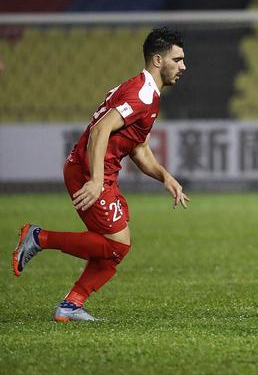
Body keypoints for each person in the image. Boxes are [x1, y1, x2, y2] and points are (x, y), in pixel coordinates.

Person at [12, 27, 190, 321]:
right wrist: (95, 180)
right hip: (88, 171)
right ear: (157, 60)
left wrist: (165, 177)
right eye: (177, 59)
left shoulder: (146, 93)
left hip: (99, 172)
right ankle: (39, 238)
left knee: (116, 247)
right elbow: (99, 130)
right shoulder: (141, 95)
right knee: (117, 245)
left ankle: (70, 306)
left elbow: (139, 149)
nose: (183, 66)